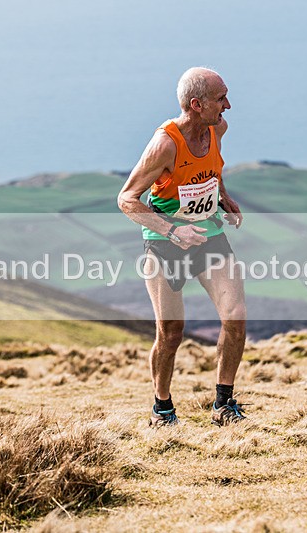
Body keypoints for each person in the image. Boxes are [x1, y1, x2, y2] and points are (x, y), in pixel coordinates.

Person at [117, 67, 247, 427]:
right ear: (197, 104)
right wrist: (173, 230)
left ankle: (224, 403)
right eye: (221, 98)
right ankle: (163, 408)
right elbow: (127, 199)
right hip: (164, 243)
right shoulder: (165, 144)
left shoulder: (217, 128)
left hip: (208, 236)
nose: (229, 105)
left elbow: (211, 170)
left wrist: (223, 197)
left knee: (235, 316)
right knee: (171, 333)